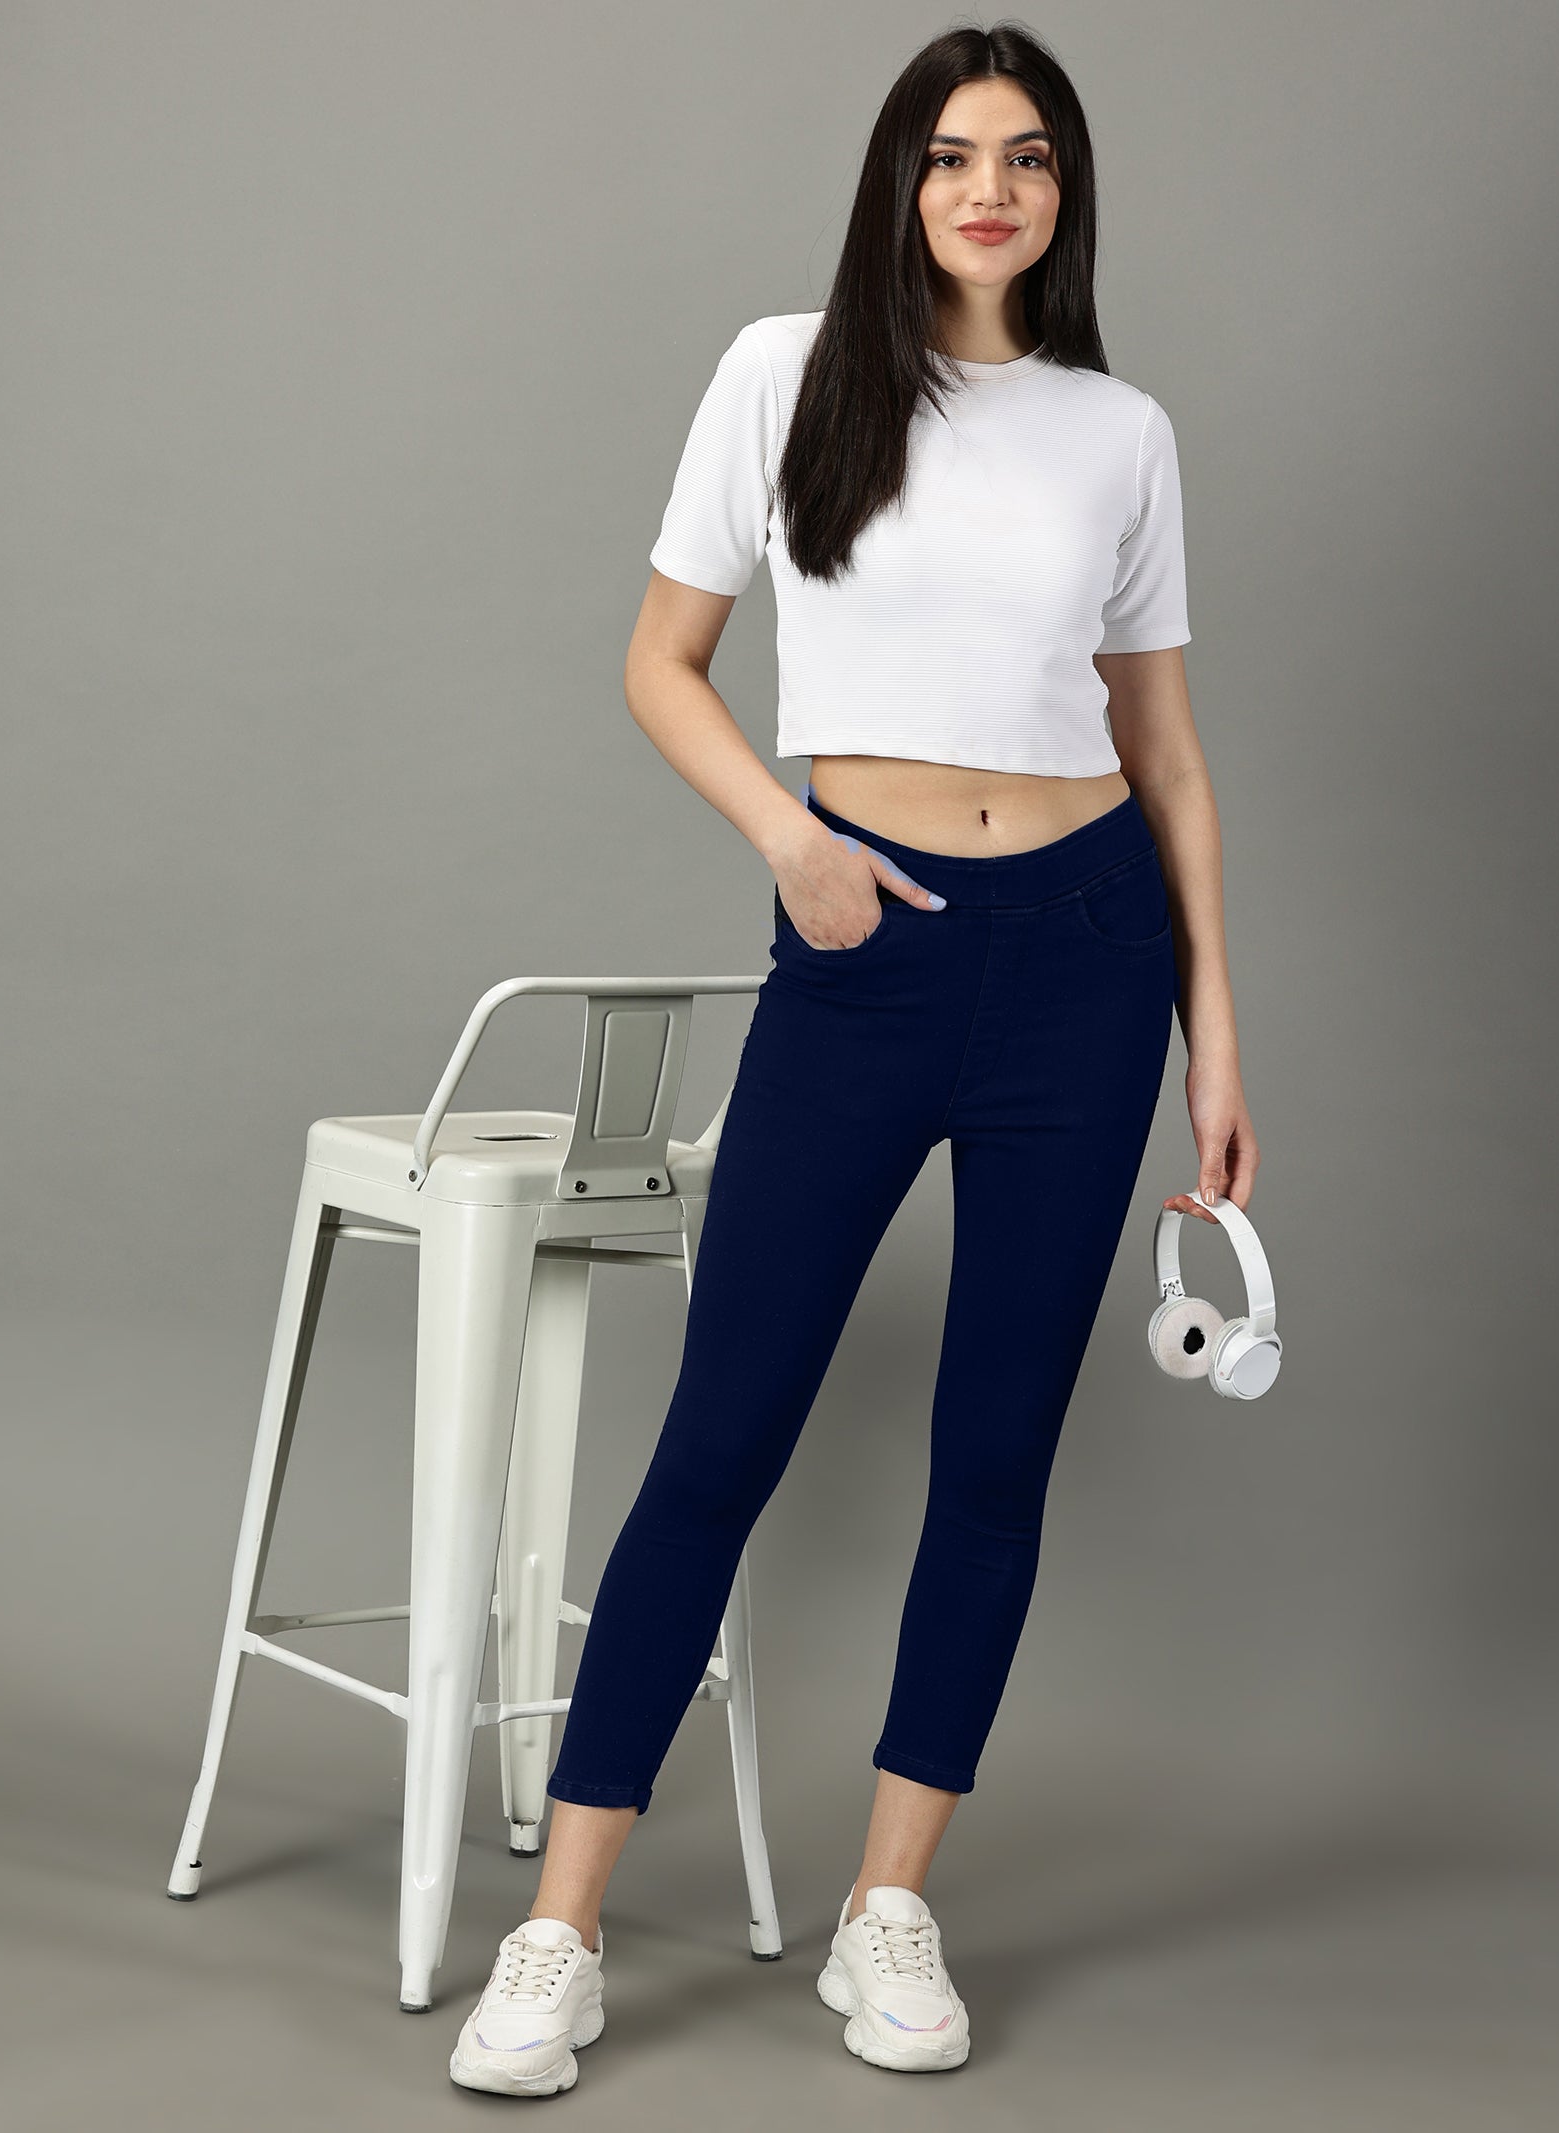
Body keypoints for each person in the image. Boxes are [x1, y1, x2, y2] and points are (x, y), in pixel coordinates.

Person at [450, 19, 1259, 2097]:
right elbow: (662, 660)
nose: (989, 189)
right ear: (899, 179)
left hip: (1088, 965)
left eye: (1028, 157)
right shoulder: (784, 370)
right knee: (720, 1436)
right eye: (951, 153)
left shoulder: (1118, 430)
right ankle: (557, 1933)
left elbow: (1164, 750)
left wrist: (1215, 1032)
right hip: (864, 942)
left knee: (994, 1453)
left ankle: (888, 1906)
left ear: (1065, 193)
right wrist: (791, 840)